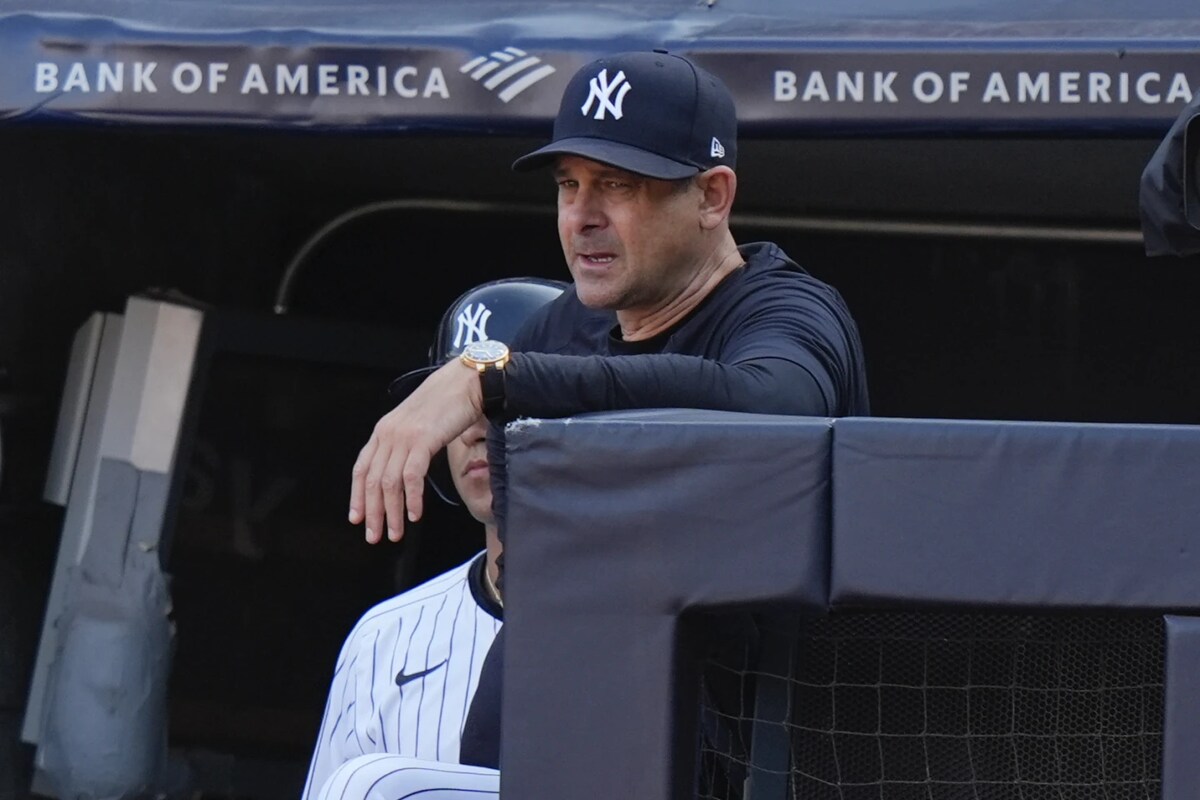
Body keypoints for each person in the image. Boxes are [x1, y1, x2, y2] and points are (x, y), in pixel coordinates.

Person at [348, 49, 870, 778]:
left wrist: (493, 379)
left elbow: (779, 402)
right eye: (569, 186)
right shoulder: (555, 334)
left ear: (712, 196)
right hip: (585, 730)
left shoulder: (782, 308)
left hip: (769, 749)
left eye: (618, 186)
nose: (582, 217)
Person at [302, 278, 565, 800]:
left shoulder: (658, 621)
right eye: (458, 407)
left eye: (502, 398)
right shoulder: (386, 637)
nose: (474, 429)